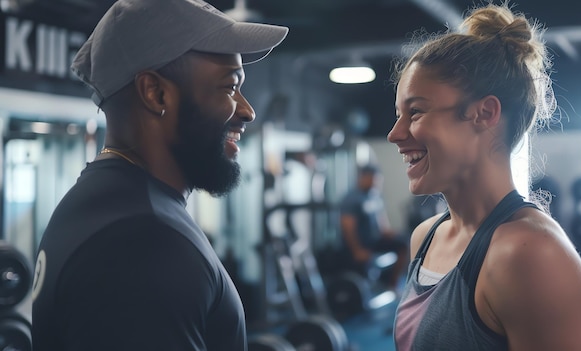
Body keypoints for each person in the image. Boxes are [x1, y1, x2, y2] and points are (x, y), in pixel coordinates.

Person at [31, 0, 287, 350]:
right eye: (230, 86)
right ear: (155, 93)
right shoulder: (142, 242)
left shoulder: (113, 204)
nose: (247, 111)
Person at [387, 3, 581, 350]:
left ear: (485, 113)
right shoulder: (426, 237)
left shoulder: (531, 255)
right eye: (398, 114)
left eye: (416, 112)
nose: (395, 134)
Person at [339, 164, 408, 291]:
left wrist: (390, 233)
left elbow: (382, 223)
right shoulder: (352, 199)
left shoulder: (375, 196)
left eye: (377, 179)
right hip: (360, 245)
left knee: (403, 243)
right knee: (364, 262)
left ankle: (392, 286)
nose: (375, 182)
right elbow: (347, 228)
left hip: (375, 241)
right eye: (372, 179)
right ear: (363, 178)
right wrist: (357, 251)